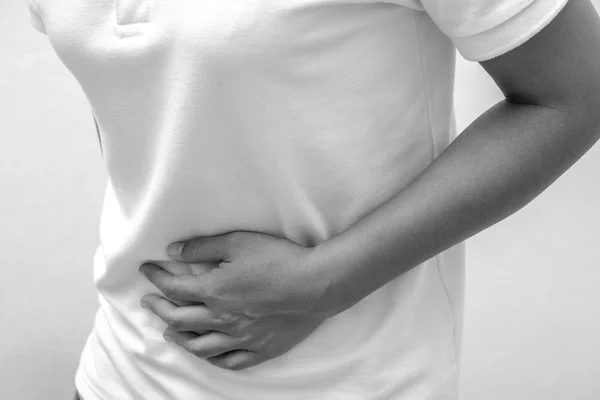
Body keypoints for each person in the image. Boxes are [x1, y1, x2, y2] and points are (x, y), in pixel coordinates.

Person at [27, 0, 600, 399]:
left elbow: (575, 97)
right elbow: (144, 108)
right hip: (125, 367)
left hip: (352, 381)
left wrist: (323, 282)